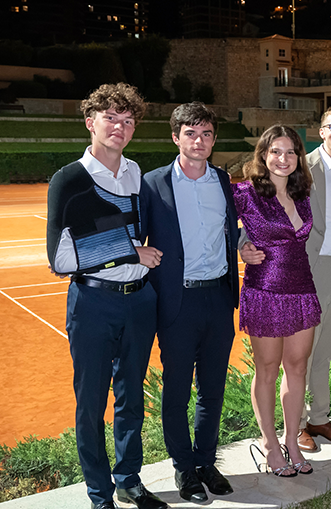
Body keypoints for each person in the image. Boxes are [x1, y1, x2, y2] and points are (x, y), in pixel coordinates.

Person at [46, 83, 167, 509]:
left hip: (139, 301)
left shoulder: (136, 174)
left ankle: (129, 480)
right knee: (92, 403)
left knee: (132, 399)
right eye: (110, 118)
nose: (120, 126)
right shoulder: (69, 180)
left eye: (128, 120)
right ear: (90, 122)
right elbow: (60, 259)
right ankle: (100, 496)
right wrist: (129, 251)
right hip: (93, 303)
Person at [241, 106, 331, 452]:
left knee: (325, 350)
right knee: (300, 355)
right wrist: (243, 244)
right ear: (321, 131)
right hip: (305, 269)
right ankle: (297, 425)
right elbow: (254, 209)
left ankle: (319, 416)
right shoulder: (304, 168)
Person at [141, 102, 238, 502]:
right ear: (175, 137)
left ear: (214, 139)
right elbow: (134, 232)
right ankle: (183, 467)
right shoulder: (153, 183)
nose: (199, 141)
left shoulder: (224, 181)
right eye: (191, 134)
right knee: (178, 390)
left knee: (212, 388)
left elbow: (233, 231)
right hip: (177, 301)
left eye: (207, 134)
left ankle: (205, 462)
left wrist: (245, 245)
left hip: (219, 296)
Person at [231, 125, 321, 477]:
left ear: (298, 157)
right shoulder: (245, 193)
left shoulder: (302, 192)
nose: (283, 159)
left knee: (297, 368)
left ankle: (292, 442)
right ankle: (269, 444)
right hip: (265, 292)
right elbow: (221, 226)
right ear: (263, 155)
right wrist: (241, 246)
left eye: (290, 152)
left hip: (302, 290)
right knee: (267, 370)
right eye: (276, 152)